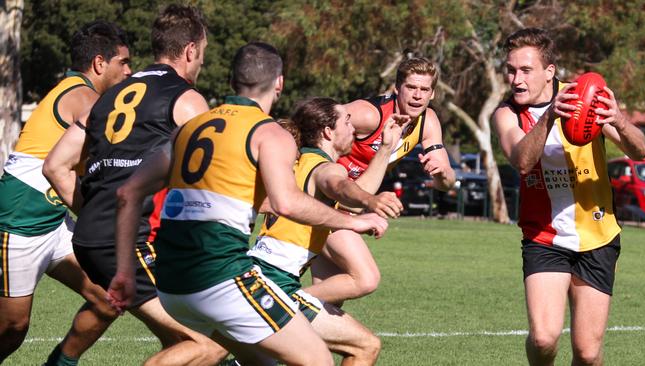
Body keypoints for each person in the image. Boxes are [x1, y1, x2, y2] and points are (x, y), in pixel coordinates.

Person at [107, 42, 389, 366]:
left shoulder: (189, 128)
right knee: (319, 361)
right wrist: (354, 221)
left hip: (170, 283)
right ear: (279, 82)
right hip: (219, 277)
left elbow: (127, 193)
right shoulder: (268, 133)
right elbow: (287, 203)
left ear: (231, 81)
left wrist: (126, 272)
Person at [43, 5, 227, 365]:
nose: (201, 63)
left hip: (91, 237)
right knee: (211, 343)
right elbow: (209, 183)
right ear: (191, 50)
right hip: (130, 242)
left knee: (178, 340)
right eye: (201, 54)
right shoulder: (187, 101)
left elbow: (55, 166)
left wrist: (95, 211)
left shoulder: (107, 97)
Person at [492, 28, 645, 366]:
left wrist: (619, 120)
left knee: (588, 354)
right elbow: (521, 160)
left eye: (525, 70)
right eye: (510, 69)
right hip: (543, 237)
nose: (515, 79)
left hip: (598, 235)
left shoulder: (584, 99)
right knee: (545, 338)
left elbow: (638, 151)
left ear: (549, 72)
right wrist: (548, 117)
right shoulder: (506, 114)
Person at [0, 20, 131, 365]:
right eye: (124, 62)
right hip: (19, 222)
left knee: (108, 299)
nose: (130, 71)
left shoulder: (87, 95)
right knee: (13, 327)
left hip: (53, 222)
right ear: (100, 63)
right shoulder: (84, 96)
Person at [248, 97, 404, 365]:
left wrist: (386, 147)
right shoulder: (326, 167)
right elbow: (339, 186)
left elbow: (346, 196)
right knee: (365, 346)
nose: (353, 127)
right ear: (328, 132)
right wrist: (370, 201)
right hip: (276, 281)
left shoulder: (298, 161)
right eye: (346, 120)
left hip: (258, 271)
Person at [309, 57, 456, 305]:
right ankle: (287, 300)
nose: (417, 96)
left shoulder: (427, 122)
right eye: (411, 88)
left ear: (432, 94)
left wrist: (442, 173)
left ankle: (291, 314)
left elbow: (447, 183)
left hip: (349, 206)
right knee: (365, 278)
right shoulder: (369, 115)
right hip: (321, 201)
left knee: (328, 303)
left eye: (424, 90)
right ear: (397, 88)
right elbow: (313, 122)